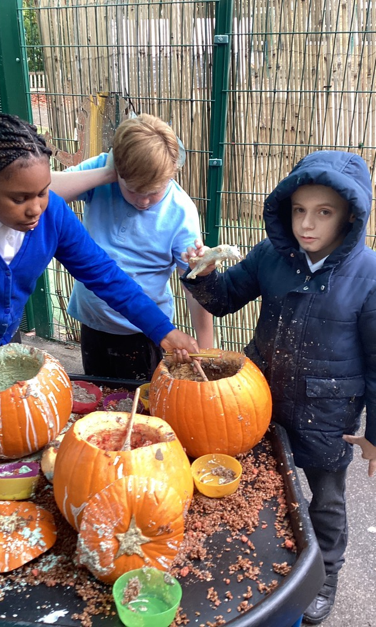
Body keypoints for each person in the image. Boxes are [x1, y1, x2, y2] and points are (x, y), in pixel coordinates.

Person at [0, 113, 200, 432]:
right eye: (20, 198)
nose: (36, 208)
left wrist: (163, 330)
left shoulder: (51, 214)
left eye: (42, 192)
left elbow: (105, 275)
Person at [180, 150, 376, 625]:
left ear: (349, 217)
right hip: (258, 400)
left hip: (327, 416)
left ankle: (325, 575)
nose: (307, 224)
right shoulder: (273, 256)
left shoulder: (368, 276)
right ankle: (263, 562)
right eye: (299, 210)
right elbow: (224, 299)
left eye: (323, 213)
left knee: (326, 501)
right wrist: (203, 276)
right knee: (264, 490)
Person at [50, 113, 213, 380]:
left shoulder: (181, 211)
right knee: (101, 400)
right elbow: (43, 191)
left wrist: (205, 346)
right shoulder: (104, 175)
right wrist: (108, 173)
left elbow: (193, 284)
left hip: (145, 333)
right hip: (92, 323)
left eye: (154, 192)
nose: (144, 201)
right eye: (134, 190)